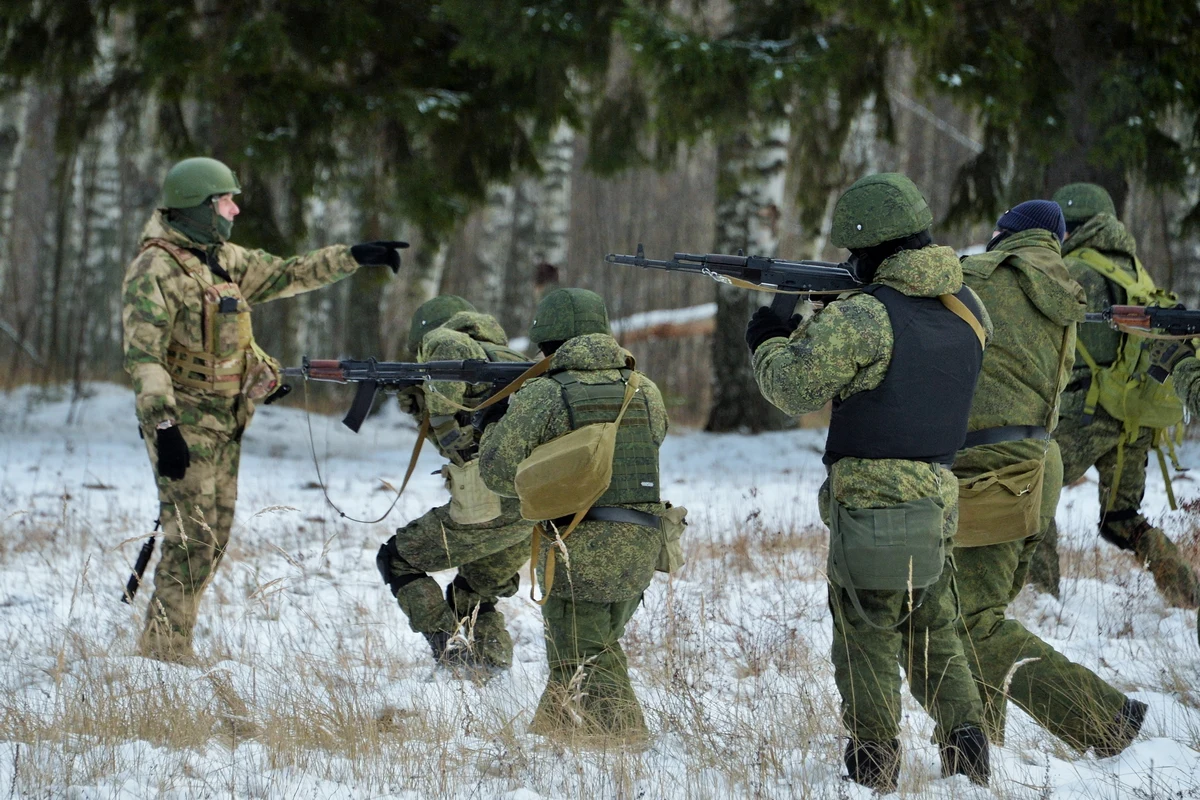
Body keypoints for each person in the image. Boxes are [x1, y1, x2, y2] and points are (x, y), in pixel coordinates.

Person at [748, 173, 991, 791]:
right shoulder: (968, 306)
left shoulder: (865, 317)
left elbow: (792, 388)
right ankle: (968, 757)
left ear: (870, 248)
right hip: (938, 494)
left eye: (853, 254)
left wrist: (769, 340)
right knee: (935, 628)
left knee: (866, 635)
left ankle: (873, 766)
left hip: (870, 507)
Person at [123, 156, 405, 664]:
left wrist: (352, 256)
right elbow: (144, 358)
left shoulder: (223, 259)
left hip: (227, 421)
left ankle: (167, 642)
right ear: (199, 207)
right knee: (190, 538)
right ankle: (163, 653)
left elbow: (286, 273)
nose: (234, 209)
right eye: (225, 200)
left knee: (213, 539)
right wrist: (164, 428)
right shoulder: (155, 269)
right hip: (182, 422)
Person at [951, 200, 1147, 756]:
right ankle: (974, 751)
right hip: (1039, 466)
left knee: (972, 623)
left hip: (990, 469)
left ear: (1002, 235)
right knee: (976, 614)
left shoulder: (979, 278)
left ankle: (1103, 717)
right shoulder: (1066, 291)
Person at [478, 288, 672, 742]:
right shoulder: (645, 389)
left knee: (585, 651)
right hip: (643, 543)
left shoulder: (544, 393)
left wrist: (490, 424)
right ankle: (551, 732)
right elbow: (651, 442)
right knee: (583, 648)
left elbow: (499, 473)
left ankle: (623, 740)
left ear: (547, 341)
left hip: (578, 544)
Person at [1028, 183, 1198, 608]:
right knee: (1120, 520)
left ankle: (1040, 598)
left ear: (1074, 226)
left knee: (1031, 485)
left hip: (1087, 415)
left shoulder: (1074, 273)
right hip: (1136, 421)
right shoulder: (1138, 272)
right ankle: (1184, 595)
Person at [375, 295, 533, 672]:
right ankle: (493, 672)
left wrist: (433, 408)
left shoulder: (446, 346)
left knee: (398, 560)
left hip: (494, 500)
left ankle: (455, 660)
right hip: (538, 501)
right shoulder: (508, 361)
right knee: (475, 593)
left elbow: (456, 433)